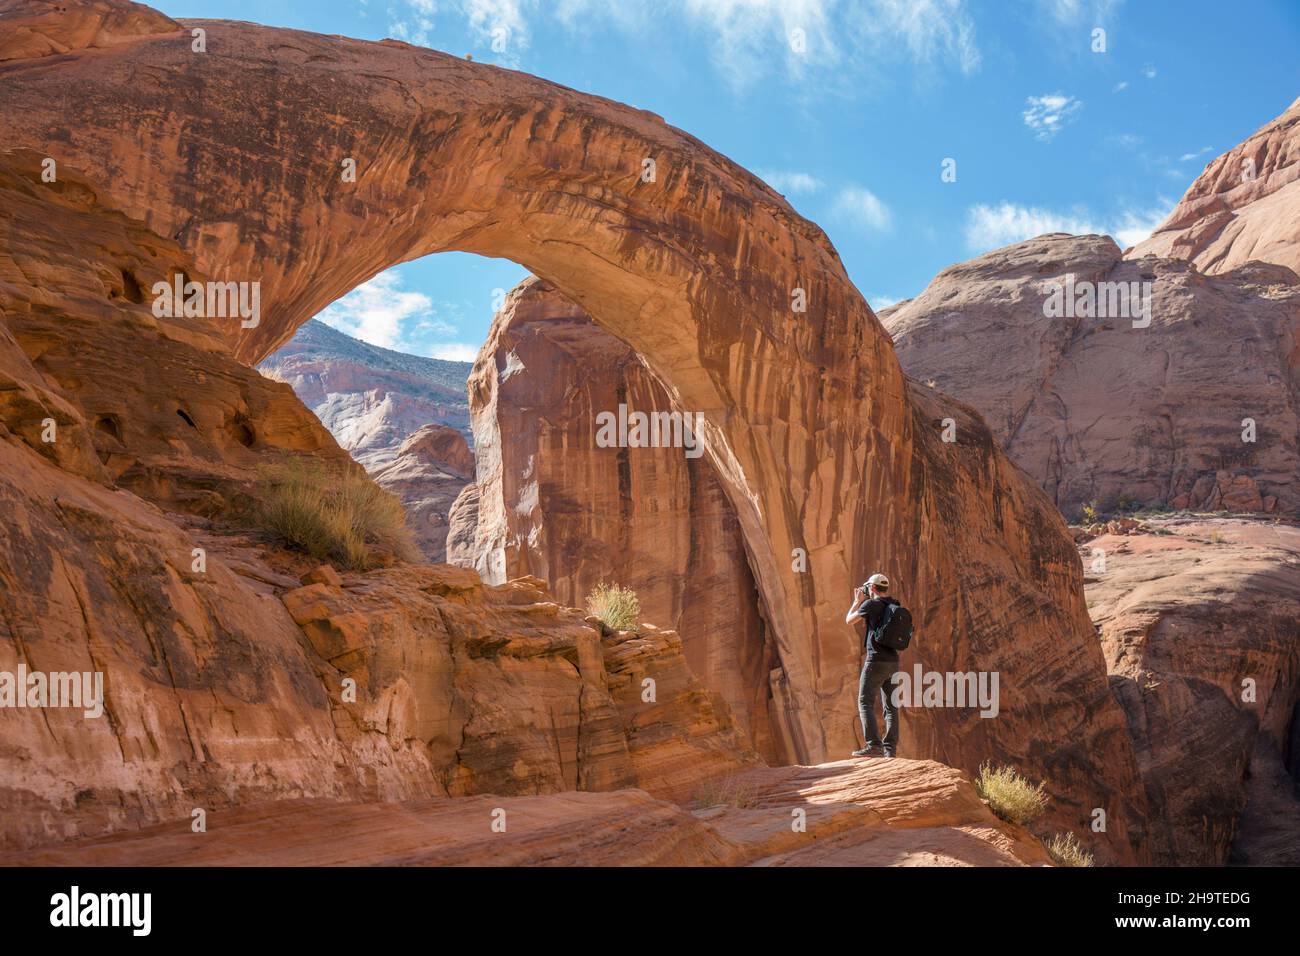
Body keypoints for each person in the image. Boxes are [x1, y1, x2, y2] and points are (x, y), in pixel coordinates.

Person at [845, 572, 900, 758]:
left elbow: (849, 620)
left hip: (876, 660)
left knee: (864, 701)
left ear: (873, 588)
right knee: (891, 706)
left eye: (868, 587)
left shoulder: (871, 604)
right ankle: (890, 750)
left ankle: (874, 745)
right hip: (893, 661)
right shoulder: (894, 604)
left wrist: (857, 601)